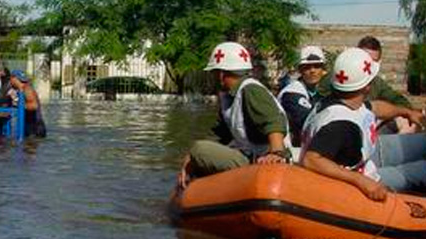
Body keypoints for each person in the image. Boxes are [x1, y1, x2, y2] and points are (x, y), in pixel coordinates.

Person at [300, 48, 426, 200]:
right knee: (421, 170)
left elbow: (376, 107)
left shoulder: (346, 100)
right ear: (367, 86)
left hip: (363, 160)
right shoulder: (340, 124)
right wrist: (360, 180)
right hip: (357, 180)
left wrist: (407, 112)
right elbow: (311, 160)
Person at [182, 42, 292, 180]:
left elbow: (274, 121)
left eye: (213, 73)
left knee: (199, 148)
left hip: (265, 159)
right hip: (250, 155)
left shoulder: (251, 90)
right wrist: (190, 158)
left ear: (221, 75)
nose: (212, 78)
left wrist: (276, 153)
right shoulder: (228, 97)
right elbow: (219, 134)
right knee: (197, 151)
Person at [277, 46, 327, 147]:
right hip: (288, 150)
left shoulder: (316, 94)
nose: (312, 70)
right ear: (300, 70)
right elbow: (307, 123)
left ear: (323, 70)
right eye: (307, 67)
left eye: (317, 66)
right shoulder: (292, 93)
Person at [10, 69, 47, 138]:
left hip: (34, 126)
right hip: (30, 125)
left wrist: (18, 105)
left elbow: (34, 105)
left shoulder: (27, 89)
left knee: (29, 146)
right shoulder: (21, 89)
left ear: (13, 79)